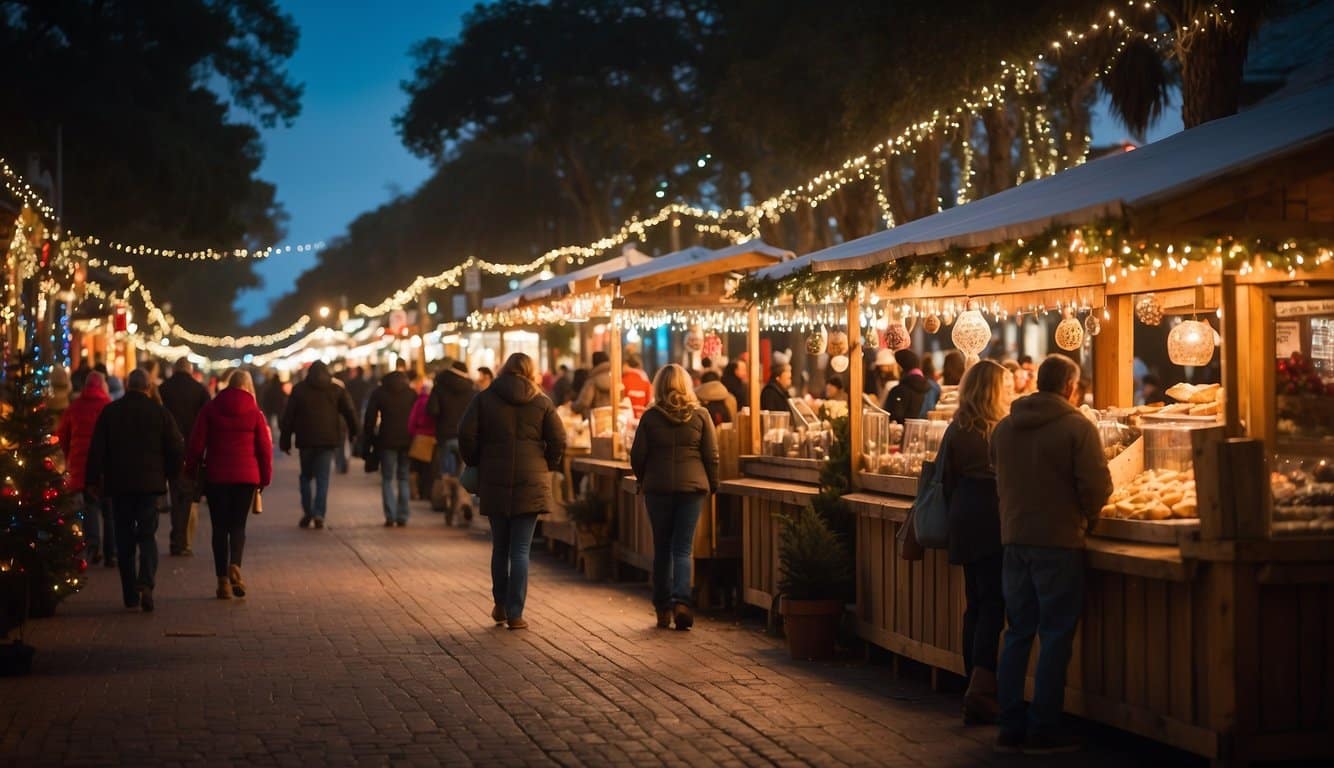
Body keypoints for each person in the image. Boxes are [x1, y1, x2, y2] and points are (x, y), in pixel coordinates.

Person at [990, 355, 1112, 754]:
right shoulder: (1078, 426)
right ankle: (1043, 728)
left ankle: (1009, 725)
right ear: (1070, 387)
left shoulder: (1005, 427)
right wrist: (1090, 515)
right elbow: (1096, 488)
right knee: (1056, 635)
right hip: (1059, 543)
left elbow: (998, 475)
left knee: (1017, 632)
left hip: (1014, 540)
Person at [459, 353, 566, 630]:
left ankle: (500, 604)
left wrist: (475, 460)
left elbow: (465, 433)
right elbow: (558, 438)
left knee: (501, 547)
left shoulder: (484, 398)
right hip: (530, 480)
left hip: (494, 478)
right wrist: (547, 464)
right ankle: (516, 613)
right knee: (520, 550)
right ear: (531, 372)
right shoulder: (542, 401)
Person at [941, 360, 1010, 725]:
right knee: (994, 605)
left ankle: (972, 683)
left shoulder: (956, 428)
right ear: (995, 390)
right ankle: (983, 689)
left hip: (964, 516)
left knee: (975, 604)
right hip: (992, 517)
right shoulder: (998, 430)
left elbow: (944, 477)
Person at [85, 369, 184, 612]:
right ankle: (147, 583)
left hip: (119, 485)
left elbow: (96, 449)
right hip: (150, 486)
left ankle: (130, 594)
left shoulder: (111, 412)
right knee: (148, 535)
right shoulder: (160, 413)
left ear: (128, 385)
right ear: (149, 387)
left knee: (125, 538)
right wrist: (170, 476)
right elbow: (176, 448)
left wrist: (91, 480)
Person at [630, 364, 719, 630]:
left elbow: (637, 455)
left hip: (658, 490)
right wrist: (712, 485)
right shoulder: (701, 416)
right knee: (683, 549)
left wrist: (644, 479)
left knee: (662, 549)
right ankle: (682, 602)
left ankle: (662, 609)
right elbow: (711, 455)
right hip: (692, 490)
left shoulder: (650, 417)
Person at [185, 370, 272, 600]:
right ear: (247, 386)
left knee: (219, 528)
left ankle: (222, 581)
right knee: (238, 526)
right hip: (246, 478)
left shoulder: (211, 408)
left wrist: (190, 470)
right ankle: (235, 564)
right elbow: (264, 449)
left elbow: (196, 444)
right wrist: (264, 479)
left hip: (217, 476)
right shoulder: (255, 412)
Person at [279, 360, 359, 529]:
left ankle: (308, 511)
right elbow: (350, 411)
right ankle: (319, 513)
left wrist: (285, 440)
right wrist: (354, 432)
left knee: (306, 477)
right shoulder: (335, 389)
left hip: (305, 440)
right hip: (327, 440)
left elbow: (288, 417)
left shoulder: (299, 389)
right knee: (323, 479)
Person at [56, 372, 113, 567]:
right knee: (109, 509)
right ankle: (111, 552)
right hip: (106, 467)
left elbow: (62, 435)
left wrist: (69, 455)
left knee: (90, 507)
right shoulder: (109, 407)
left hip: (81, 466)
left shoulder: (74, 407)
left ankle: (92, 546)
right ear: (102, 386)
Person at [159, 357, 211, 556]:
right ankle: (181, 540)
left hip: (168, 450)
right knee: (187, 496)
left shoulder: (163, 389)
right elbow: (208, 418)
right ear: (190, 370)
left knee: (174, 493)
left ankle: (176, 537)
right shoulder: (199, 390)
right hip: (191, 450)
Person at [363, 364, 417, 527]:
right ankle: (403, 515)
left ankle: (390, 515)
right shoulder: (411, 393)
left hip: (386, 440)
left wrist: (370, 438)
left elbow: (370, 418)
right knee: (403, 477)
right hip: (407, 440)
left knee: (387, 478)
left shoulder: (379, 392)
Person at [429, 360, 477, 524]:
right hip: (465, 439)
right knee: (463, 474)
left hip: (445, 437)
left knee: (446, 473)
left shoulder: (439, 386)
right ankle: (463, 503)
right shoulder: (471, 390)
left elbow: (432, 410)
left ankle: (448, 501)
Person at [407, 376, 436, 502]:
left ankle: (415, 493)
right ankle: (427, 493)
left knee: (415, 468)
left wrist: (413, 434)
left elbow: (412, 421)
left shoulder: (419, 402)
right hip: (432, 438)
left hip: (419, 437)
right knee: (429, 469)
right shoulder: (435, 402)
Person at [884, 349, 932, 423]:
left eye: (894, 365)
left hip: (902, 433)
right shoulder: (932, 388)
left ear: (901, 367)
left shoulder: (898, 391)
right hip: (926, 432)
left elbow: (891, 419)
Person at [572, 351, 612, 416]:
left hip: (597, 419)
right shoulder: (616, 378)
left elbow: (583, 402)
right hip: (614, 418)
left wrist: (572, 406)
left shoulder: (592, 380)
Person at [622, 351, 652, 417]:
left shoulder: (623, 379)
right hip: (642, 416)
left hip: (627, 416)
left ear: (627, 364)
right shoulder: (645, 379)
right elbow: (649, 401)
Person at [258, 370, 287, 435]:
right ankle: (279, 433)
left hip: (270, 408)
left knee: (271, 423)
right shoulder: (281, 387)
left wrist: (264, 407)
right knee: (279, 422)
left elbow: (266, 398)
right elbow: (284, 397)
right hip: (279, 408)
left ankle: (272, 434)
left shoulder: (269, 387)